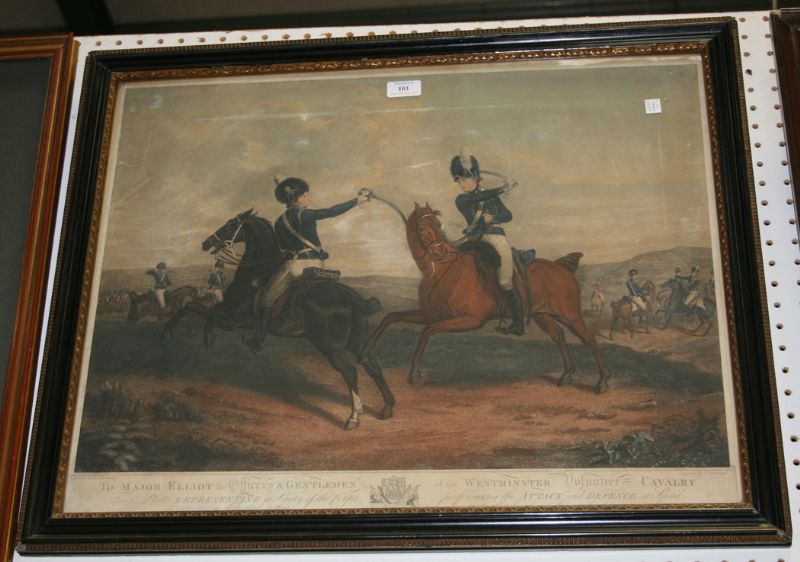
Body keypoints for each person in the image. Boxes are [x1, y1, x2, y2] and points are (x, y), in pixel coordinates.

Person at [242, 176, 371, 355]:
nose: (308, 197)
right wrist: (358, 200)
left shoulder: (279, 222)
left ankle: (258, 340)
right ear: (296, 199)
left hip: (294, 266)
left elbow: (283, 248)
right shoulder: (307, 215)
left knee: (267, 299)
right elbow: (332, 211)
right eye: (304, 195)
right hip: (316, 263)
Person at [451, 147, 522, 335]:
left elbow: (508, 215)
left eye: (465, 179)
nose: (461, 184)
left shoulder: (491, 196)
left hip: (496, 238)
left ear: (475, 178)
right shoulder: (461, 200)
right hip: (474, 239)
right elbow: (481, 196)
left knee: (505, 282)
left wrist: (494, 218)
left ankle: (518, 325)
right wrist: (504, 188)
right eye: (459, 181)